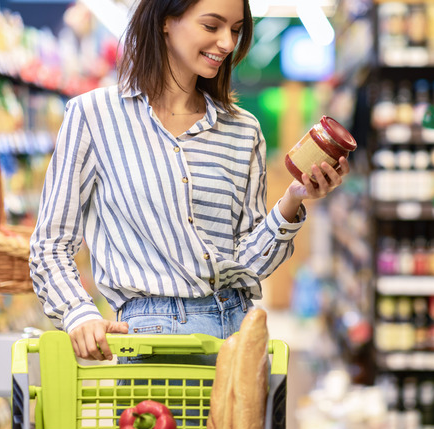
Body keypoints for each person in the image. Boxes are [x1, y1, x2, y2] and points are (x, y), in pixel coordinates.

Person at [29, 0, 351, 362]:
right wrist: (78, 313)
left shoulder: (243, 130)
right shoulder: (94, 116)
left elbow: (248, 264)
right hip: (149, 340)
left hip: (237, 335)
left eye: (236, 30)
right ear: (167, 21)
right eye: (212, 26)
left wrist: (294, 199)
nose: (228, 43)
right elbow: (50, 244)